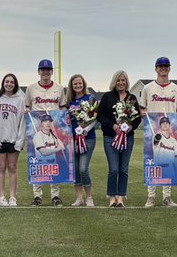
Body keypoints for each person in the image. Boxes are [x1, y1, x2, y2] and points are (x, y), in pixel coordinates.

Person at [140, 56, 177, 207]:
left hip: (169, 130)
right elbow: (142, 108)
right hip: (152, 131)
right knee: (152, 163)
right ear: (156, 68)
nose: (163, 68)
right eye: (161, 66)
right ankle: (151, 197)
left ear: (169, 68)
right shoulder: (148, 88)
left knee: (168, 162)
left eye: (166, 66)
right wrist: (143, 113)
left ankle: (167, 197)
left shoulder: (176, 88)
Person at [98, 70, 142, 207]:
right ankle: (112, 197)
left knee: (123, 169)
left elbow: (138, 117)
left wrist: (131, 127)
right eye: (118, 80)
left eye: (123, 80)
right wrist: (113, 126)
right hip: (110, 138)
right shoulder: (107, 97)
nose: (121, 83)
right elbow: (100, 116)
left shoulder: (132, 98)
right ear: (114, 82)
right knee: (114, 169)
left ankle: (121, 197)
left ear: (126, 82)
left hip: (127, 138)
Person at [26, 59, 64, 206]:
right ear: (38, 71)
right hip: (37, 128)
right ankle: (37, 196)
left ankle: (55, 195)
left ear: (52, 71)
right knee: (37, 161)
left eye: (48, 69)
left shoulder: (59, 88)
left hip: (54, 128)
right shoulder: (31, 88)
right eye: (43, 69)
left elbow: (62, 108)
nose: (46, 72)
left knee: (54, 161)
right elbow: (27, 106)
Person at [0, 73, 25, 207]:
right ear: (3, 83)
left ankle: (12, 197)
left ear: (15, 84)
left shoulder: (19, 100)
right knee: (1, 167)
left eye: (11, 82)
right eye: (7, 81)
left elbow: (21, 121)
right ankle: (1, 197)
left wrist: (19, 141)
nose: (9, 84)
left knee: (12, 167)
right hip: (0, 138)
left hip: (13, 139)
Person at [65, 73, 98, 207]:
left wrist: (86, 130)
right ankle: (79, 198)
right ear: (71, 86)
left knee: (83, 168)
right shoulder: (69, 102)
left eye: (80, 83)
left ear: (83, 84)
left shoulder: (91, 98)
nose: (78, 85)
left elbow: (95, 118)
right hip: (72, 139)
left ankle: (89, 197)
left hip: (87, 138)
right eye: (75, 84)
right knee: (76, 169)